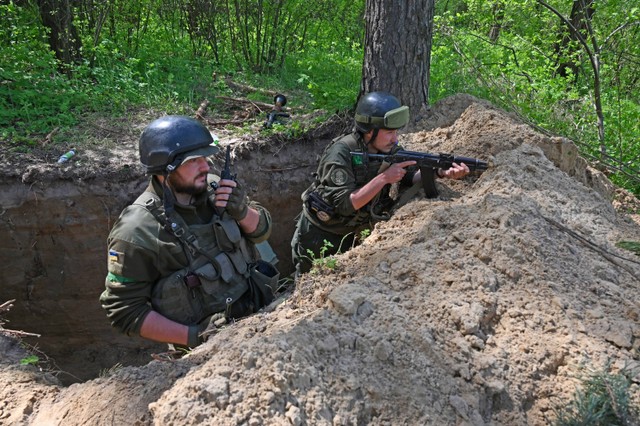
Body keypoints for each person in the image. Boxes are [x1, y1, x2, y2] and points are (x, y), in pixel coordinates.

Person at [99, 115, 279, 348]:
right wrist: (197, 337)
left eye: (204, 157)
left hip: (265, 318)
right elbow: (123, 310)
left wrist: (242, 212)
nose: (205, 166)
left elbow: (262, 233)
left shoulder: (215, 187)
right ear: (165, 168)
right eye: (193, 161)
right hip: (208, 352)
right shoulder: (137, 230)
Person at [291, 91, 470, 274]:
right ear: (370, 131)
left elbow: (409, 175)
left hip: (356, 233)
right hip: (321, 235)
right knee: (309, 279)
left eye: (396, 132)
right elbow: (345, 204)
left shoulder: (388, 149)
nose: (395, 138)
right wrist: (384, 178)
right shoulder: (341, 153)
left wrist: (440, 172)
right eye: (389, 132)